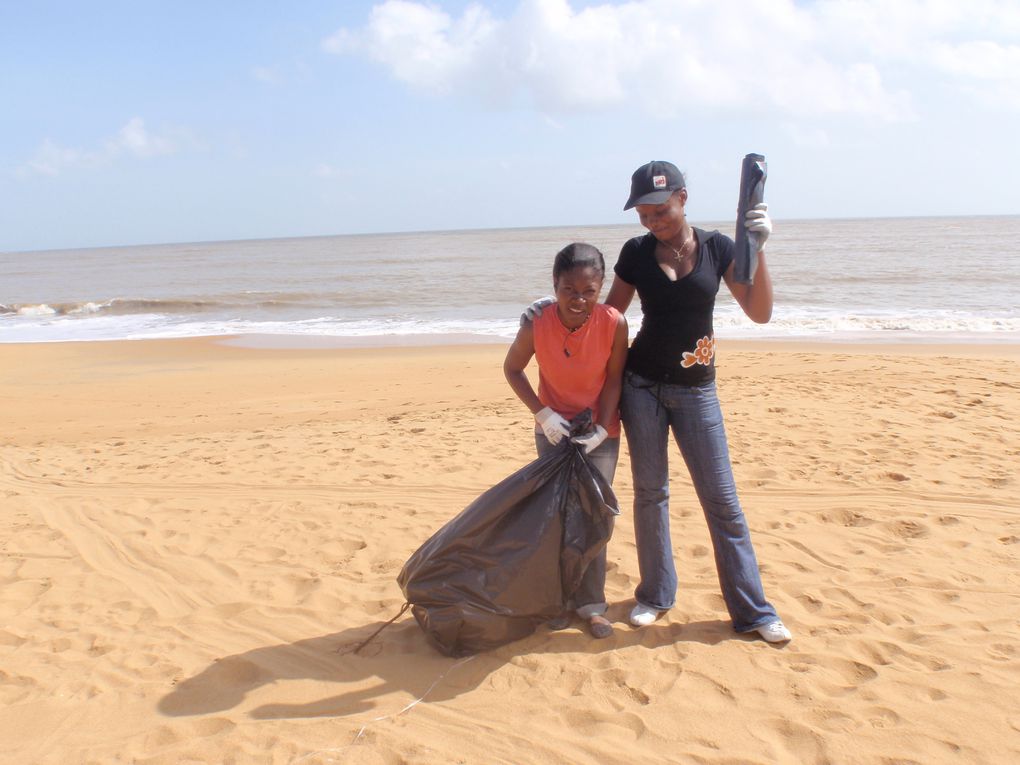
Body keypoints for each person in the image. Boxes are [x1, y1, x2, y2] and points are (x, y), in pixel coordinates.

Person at [525, 161, 792, 644]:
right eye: (643, 211)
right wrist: (547, 310)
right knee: (650, 495)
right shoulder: (636, 252)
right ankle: (655, 594)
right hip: (641, 387)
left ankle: (754, 611)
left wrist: (759, 249)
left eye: (660, 209)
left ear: (683, 199)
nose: (651, 219)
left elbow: (760, 313)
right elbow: (602, 318)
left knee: (723, 502)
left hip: (697, 390)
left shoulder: (718, 248)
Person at [504, 242, 629, 640]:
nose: (578, 299)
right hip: (554, 431)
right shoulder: (537, 323)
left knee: (594, 515)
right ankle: (557, 602)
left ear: (601, 287)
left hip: (599, 434)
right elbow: (513, 369)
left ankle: (592, 605)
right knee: (557, 517)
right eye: (568, 290)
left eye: (588, 291)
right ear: (554, 287)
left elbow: (614, 379)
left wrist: (602, 428)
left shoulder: (614, 323)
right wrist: (542, 413)